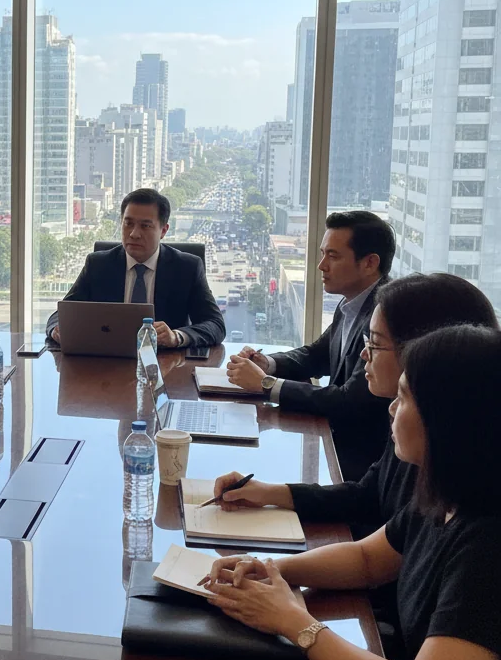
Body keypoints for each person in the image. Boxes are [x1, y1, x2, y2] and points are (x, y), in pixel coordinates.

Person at [204, 324, 501, 660]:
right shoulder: (447, 491)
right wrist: (270, 569)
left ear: (449, 420)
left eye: (404, 398)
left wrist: (294, 621)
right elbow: (367, 560)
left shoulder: (488, 542)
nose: (392, 409)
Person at [211, 273, 498, 533]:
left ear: (428, 352)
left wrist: (266, 384)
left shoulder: (475, 522)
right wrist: (267, 492)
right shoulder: (414, 431)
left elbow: (381, 555)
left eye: (375, 343)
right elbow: (368, 496)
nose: (364, 354)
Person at [226, 210, 396, 480]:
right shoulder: (351, 303)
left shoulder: (385, 316)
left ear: (369, 263)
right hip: (335, 444)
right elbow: (316, 355)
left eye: (333, 256)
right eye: (322, 254)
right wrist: (267, 363)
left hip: (359, 466)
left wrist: (266, 384)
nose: (321, 266)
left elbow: (350, 402)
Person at [45, 188, 225, 348]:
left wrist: (176, 336)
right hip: (106, 362)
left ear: (163, 230)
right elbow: (61, 314)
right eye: (128, 223)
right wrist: (57, 329)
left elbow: (215, 324)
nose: (134, 234)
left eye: (145, 226)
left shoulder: (187, 268)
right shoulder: (98, 265)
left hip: (166, 364)